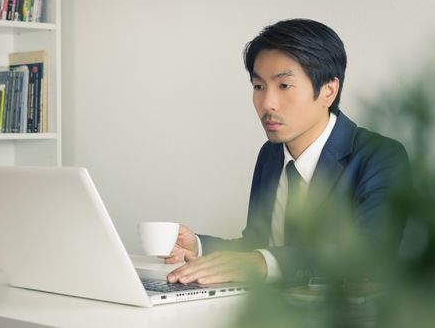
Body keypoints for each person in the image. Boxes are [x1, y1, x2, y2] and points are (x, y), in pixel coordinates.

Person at [165, 18, 410, 286]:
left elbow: (369, 256)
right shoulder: (270, 155)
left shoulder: (381, 156)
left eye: (284, 86)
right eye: (258, 86)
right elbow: (260, 246)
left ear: (328, 90)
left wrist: (262, 262)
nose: (267, 103)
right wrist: (198, 246)